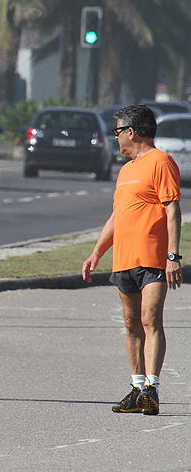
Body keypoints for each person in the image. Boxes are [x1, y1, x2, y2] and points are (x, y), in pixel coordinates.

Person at [82, 104, 182, 416]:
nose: (116, 139)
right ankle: (137, 389)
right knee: (130, 324)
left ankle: (152, 387)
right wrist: (96, 252)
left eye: (117, 131)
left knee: (151, 320)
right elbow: (117, 215)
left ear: (131, 131)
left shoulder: (160, 161)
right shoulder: (125, 171)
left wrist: (173, 257)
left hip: (152, 257)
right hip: (123, 259)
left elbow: (173, 209)